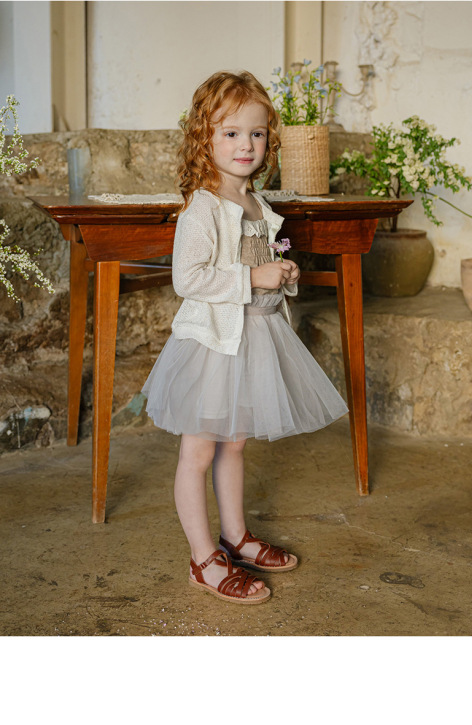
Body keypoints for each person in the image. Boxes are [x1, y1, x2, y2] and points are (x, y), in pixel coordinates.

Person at [141, 70, 348, 605]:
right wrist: (254, 276)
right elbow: (188, 279)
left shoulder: (258, 204)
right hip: (213, 345)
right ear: (204, 138)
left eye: (256, 133)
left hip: (252, 336)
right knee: (199, 451)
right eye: (230, 133)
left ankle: (235, 536)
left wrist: (283, 276)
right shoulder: (204, 206)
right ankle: (203, 557)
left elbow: (260, 269)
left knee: (234, 442)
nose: (245, 145)